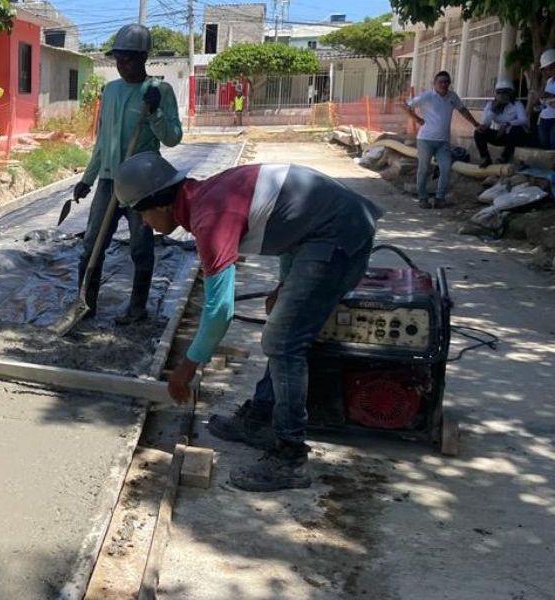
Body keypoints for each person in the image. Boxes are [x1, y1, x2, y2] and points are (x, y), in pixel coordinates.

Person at [111, 151, 383, 492]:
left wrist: (189, 364)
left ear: (160, 205)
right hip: (327, 230)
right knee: (284, 331)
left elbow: (220, 310)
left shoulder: (209, 218)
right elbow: (292, 221)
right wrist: (284, 285)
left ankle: (290, 457)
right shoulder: (208, 194)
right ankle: (261, 419)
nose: (145, 225)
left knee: (283, 341)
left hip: (341, 236)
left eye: (141, 215)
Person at [72, 23, 183, 326]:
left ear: (144, 57)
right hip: (109, 181)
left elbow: (173, 137)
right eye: (119, 59)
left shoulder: (159, 91)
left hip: (142, 186)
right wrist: (87, 179)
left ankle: (137, 308)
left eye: (129, 59)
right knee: (92, 245)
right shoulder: (111, 91)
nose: (123, 65)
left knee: (140, 248)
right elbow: (102, 142)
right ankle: (85, 303)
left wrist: (156, 113)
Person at [402, 71, 480, 208]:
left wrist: (475, 124)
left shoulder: (452, 96)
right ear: (435, 83)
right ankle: (422, 198)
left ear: (449, 83)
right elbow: (406, 106)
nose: (443, 84)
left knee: (446, 168)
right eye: (441, 82)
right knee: (424, 169)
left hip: (443, 141)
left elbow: (463, 110)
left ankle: (439, 198)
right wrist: (417, 119)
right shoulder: (427, 96)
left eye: (446, 82)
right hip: (425, 140)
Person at [474, 79, 527, 167]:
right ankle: (486, 158)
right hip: (500, 135)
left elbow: (523, 120)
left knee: (515, 129)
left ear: (510, 93)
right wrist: (492, 110)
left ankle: (504, 157)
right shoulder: (491, 105)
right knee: (478, 132)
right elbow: (485, 124)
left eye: (505, 92)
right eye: (499, 92)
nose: (502, 95)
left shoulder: (517, 104)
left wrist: (508, 124)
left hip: (513, 136)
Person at [537, 49, 555, 150]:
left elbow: (550, 97)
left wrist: (549, 95)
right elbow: (546, 101)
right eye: (547, 69)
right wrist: (541, 98)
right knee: (544, 144)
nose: (549, 71)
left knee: (553, 144)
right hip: (544, 118)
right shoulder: (549, 81)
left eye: (551, 68)